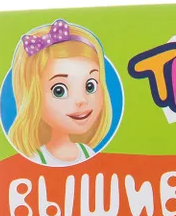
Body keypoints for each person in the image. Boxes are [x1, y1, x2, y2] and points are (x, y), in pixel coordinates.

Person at [9, 20, 112, 166]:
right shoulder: (35, 159)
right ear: (33, 97)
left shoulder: (86, 152)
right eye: (59, 91)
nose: (81, 100)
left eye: (90, 86)